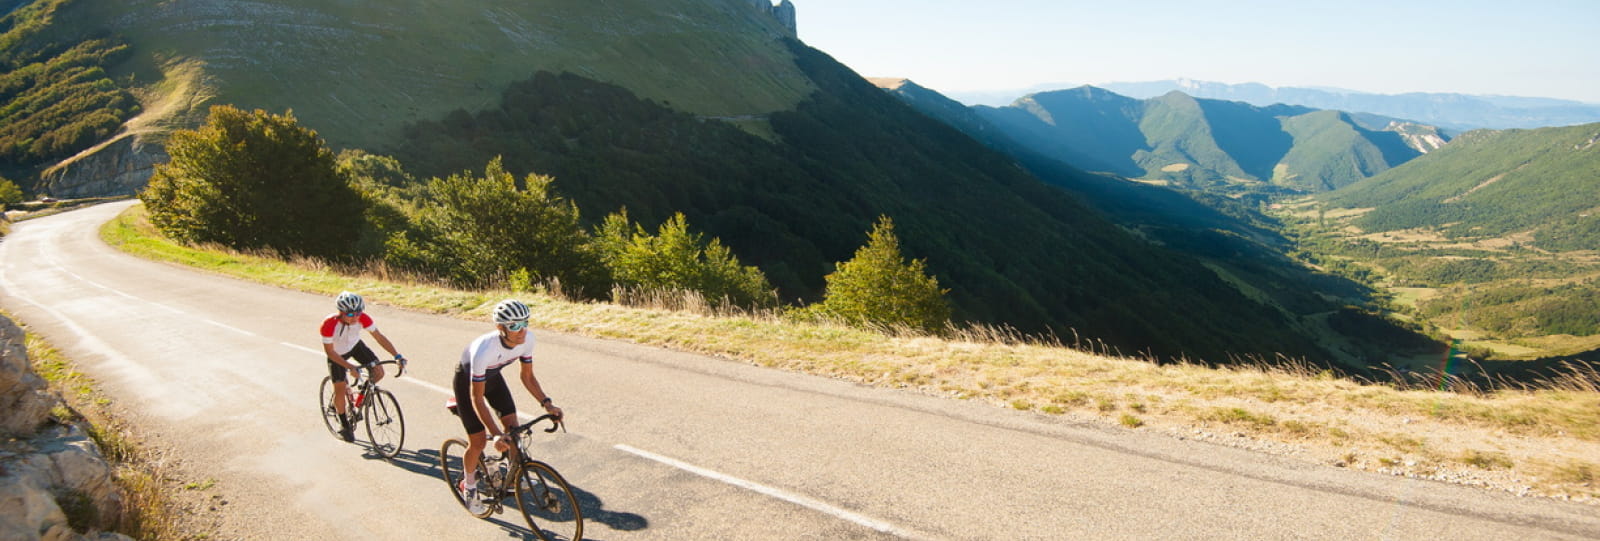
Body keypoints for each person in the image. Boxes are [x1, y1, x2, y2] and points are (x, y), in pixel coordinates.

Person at [454, 299, 562, 514]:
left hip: (493, 379)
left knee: (514, 429)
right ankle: (469, 485)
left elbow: (528, 377)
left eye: (524, 323)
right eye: (514, 326)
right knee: (477, 441)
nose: (521, 330)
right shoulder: (484, 350)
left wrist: (547, 404)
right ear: (500, 328)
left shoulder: (527, 340)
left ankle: (512, 479)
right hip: (468, 384)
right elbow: (477, 398)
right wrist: (494, 435)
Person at [320, 291, 406, 442]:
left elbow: (379, 337)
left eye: (358, 313)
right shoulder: (329, 324)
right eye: (351, 314)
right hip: (337, 354)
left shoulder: (363, 318)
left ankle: (363, 394)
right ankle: (344, 424)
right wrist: (350, 367)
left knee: (378, 372)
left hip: (355, 346)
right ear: (341, 312)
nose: (355, 317)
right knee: (339, 388)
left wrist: (397, 355)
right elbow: (330, 352)